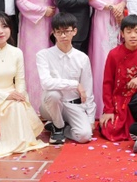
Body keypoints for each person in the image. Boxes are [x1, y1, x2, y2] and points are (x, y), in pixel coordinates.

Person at [0, 12, 47, 159]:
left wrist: (19, 94)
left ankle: (14, 139)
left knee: (17, 104)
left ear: (10, 28)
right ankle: (13, 139)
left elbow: (20, 80)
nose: (0, 31)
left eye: (4, 26)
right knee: (13, 106)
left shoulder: (17, 52)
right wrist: (7, 96)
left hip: (14, 93)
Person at [36, 12, 94, 145]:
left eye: (66, 31)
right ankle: (58, 126)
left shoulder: (82, 58)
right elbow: (46, 83)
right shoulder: (43, 55)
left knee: (84, 136)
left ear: (74, 31)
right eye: (59, 32)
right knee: (53, 94)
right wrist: (75, 84)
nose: (63, 35)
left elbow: (88, 90)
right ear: (53, 33)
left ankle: (61, 127)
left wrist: (90, 118)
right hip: (50, 106)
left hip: (73, 105)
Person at [87, 0, 127, 119]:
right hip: (102, 18)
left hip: (118, 20)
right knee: (102, 60)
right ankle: (101, 107)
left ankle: (119, 106)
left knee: (120, 59)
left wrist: (121, 6)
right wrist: (111, 7)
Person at [98, 15, 137, 141]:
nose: (133, 35)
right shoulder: (114, 54)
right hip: (118, 96)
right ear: (122, 34)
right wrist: (108, 110)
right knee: (109, 128)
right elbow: (107, 83)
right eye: (129, 32)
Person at [15, 0, 58, 112]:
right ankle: (31, 105)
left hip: (50, 25)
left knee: (49, 62)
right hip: (32, 25)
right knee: (32, 62)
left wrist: (55, 20)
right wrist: (41, 10)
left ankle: (49, 106)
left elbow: (57, 0)